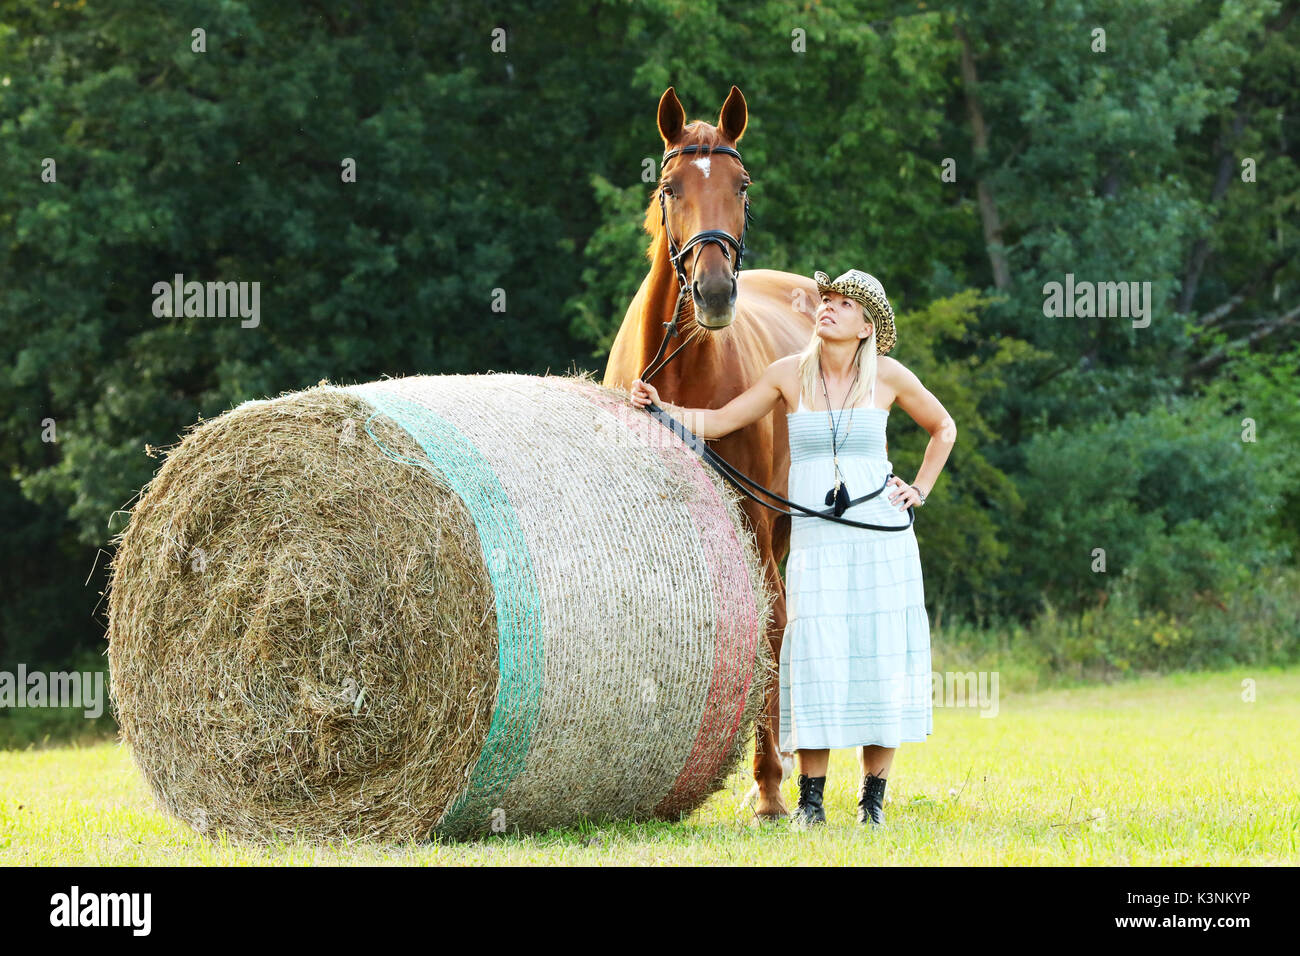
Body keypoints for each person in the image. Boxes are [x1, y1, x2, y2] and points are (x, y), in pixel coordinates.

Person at [629, 269, 956, 829]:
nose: (827, 307)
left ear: (866, 326)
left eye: (843, 304)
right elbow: (721, 421)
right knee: (815, 659)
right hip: (818, 541)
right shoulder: (786, 375)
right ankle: (810, 800)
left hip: (881, 536)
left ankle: (872, 801)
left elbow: (943, 427)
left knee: (878, 656)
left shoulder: (890, 377)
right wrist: (662, 408)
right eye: (825, 299)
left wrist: (918, 490)